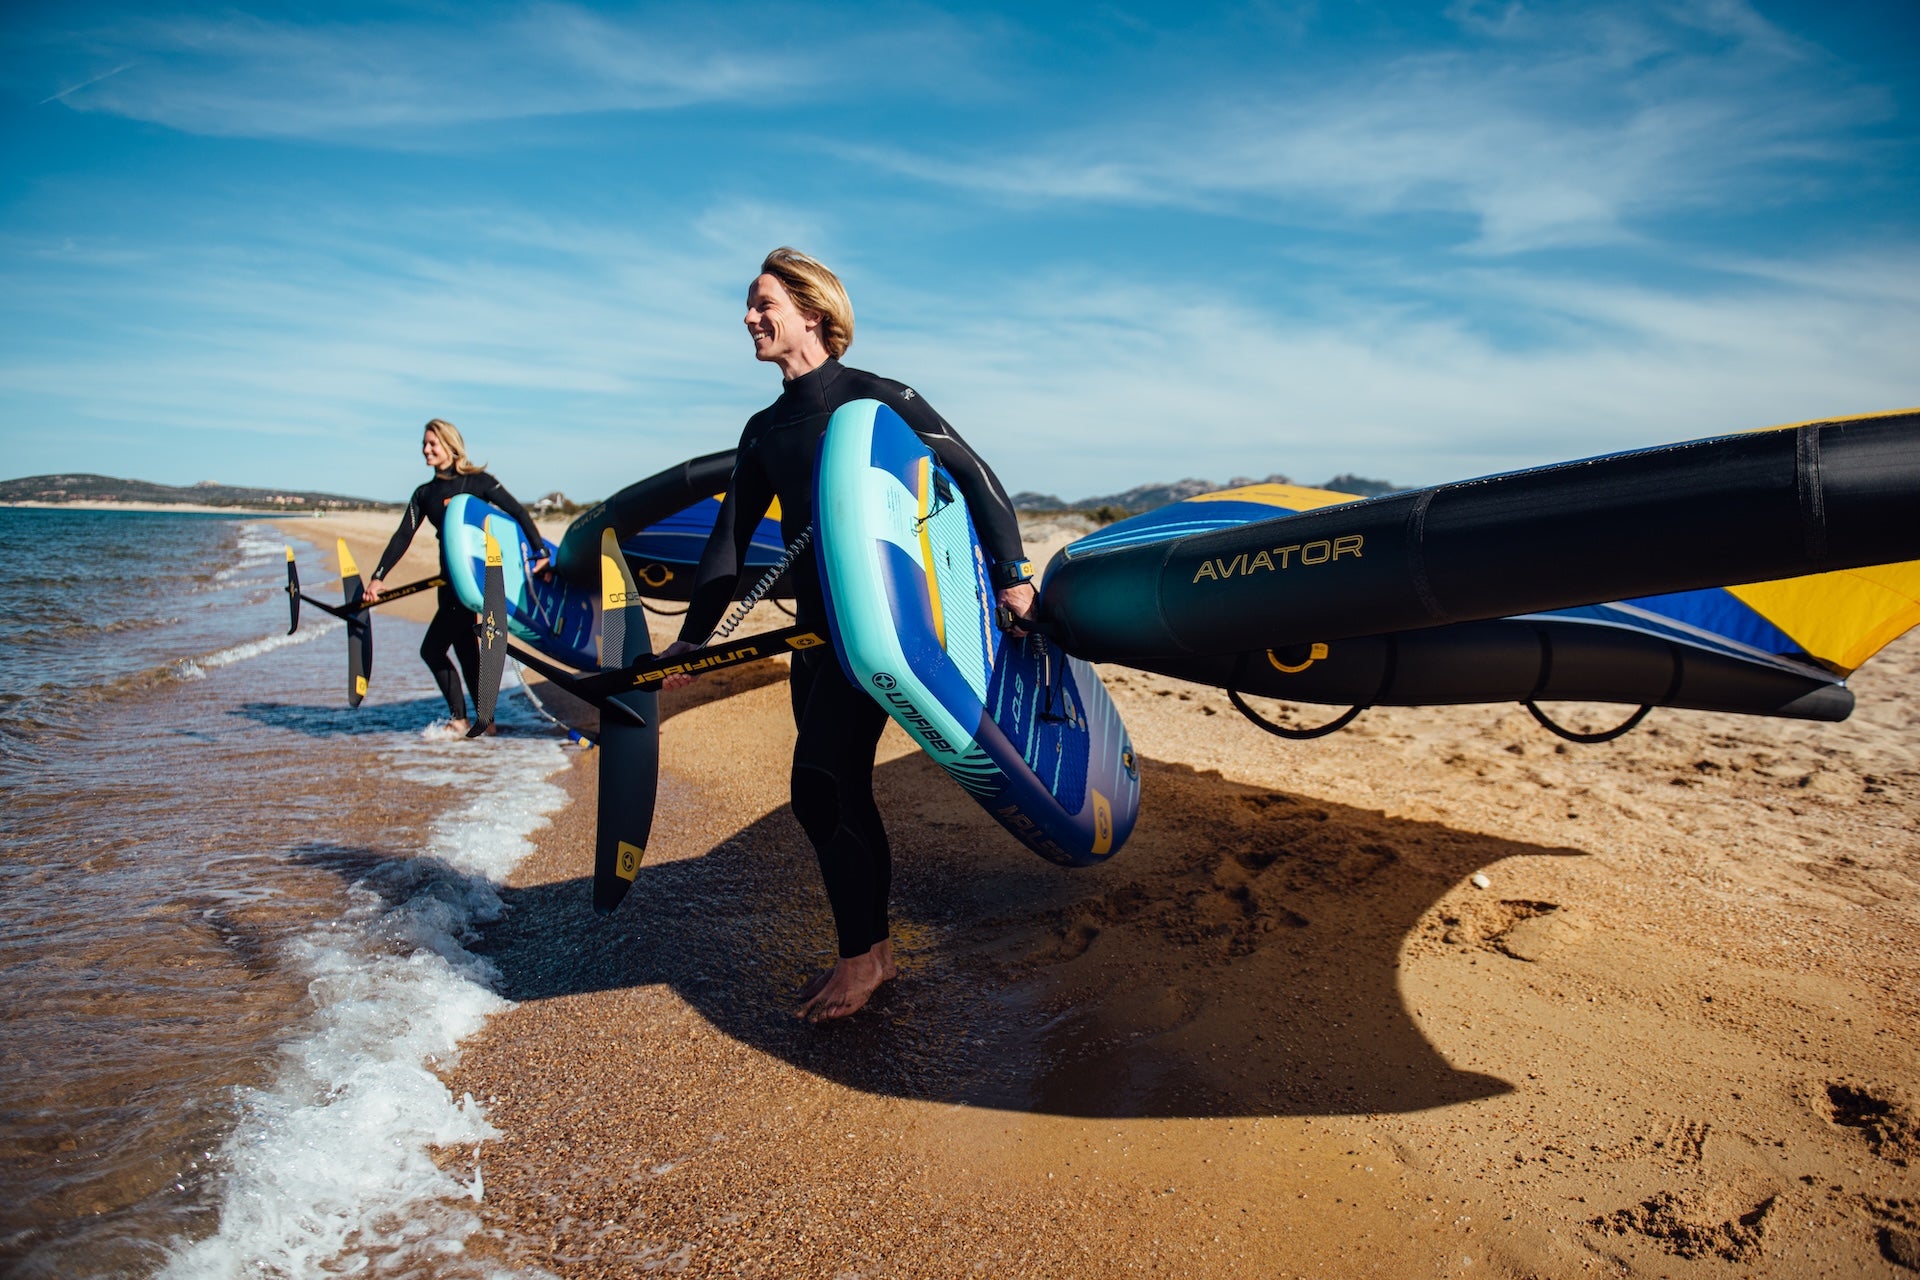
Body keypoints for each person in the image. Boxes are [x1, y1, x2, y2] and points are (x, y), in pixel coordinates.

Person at [664, 248, 1037, 1022]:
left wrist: (1012, 573)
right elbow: (729, 542)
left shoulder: (876, 399)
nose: (748, 317)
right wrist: (692, 642)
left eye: (763, 302)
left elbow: (973, 473)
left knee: (822, 785)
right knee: (831, 788)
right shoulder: (765, 429)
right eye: (748, 303)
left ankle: (865, 958)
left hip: (889, 629)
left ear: (814, 311)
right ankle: (872, 950)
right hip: (816, 636)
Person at [366, 418, 550, 734]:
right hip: (446, 582)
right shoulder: (425, 493)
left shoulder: (479, 482)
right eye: (424, 444)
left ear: (450, 446)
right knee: (465, 652)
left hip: (470, 584)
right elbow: (403, 535)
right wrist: (378, 576)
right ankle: (485, 722)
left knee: (432, 650)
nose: (426, 450)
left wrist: (539, 553)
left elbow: (517, 512)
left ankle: (461, 719)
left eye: (432, 444)